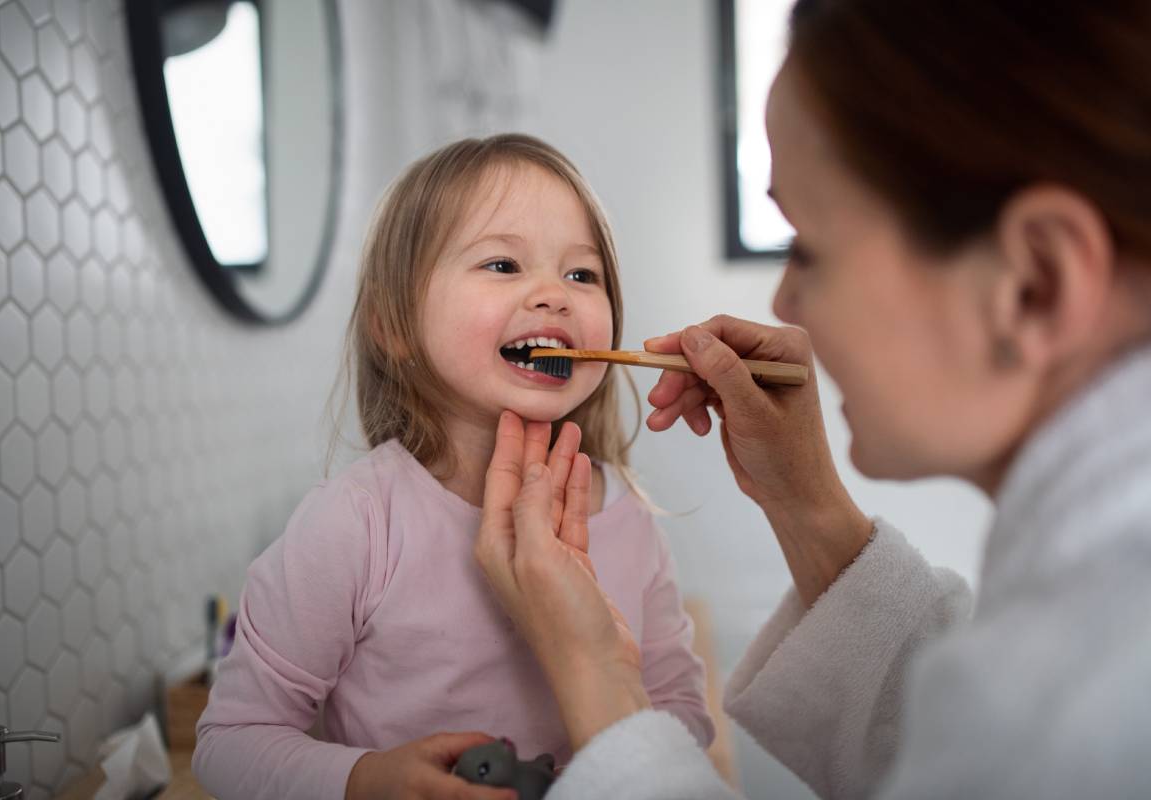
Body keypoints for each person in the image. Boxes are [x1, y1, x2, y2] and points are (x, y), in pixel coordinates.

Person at [474, 1, 1151, 798]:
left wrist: (595, 676)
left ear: (1036, 283)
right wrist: (807, 506)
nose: (786, 305)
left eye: (810, 247)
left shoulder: (1097, 693)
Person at [191, 134, 714, 800]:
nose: (555, 294)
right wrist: (364, 780)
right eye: (502, 264)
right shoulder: (354, 525)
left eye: (582, 274)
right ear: (394, 323)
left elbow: (682, 716)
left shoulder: (628, 519)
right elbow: (231, 743)